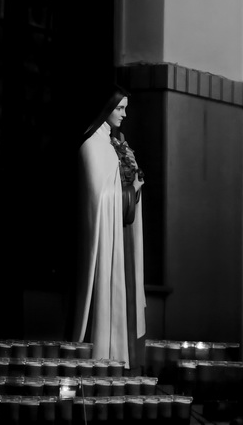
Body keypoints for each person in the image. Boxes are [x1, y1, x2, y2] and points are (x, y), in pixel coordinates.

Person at [72, 84, 146, 369]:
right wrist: (131, 192)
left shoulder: (113, 145)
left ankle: (119, 358)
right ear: (105, 108)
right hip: (103, 242)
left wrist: (131, 189)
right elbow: (100, 198)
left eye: (125, 108)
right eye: (119, 108)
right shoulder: (92, 145)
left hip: (120, 236)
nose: (124, 114)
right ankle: (102, 358)